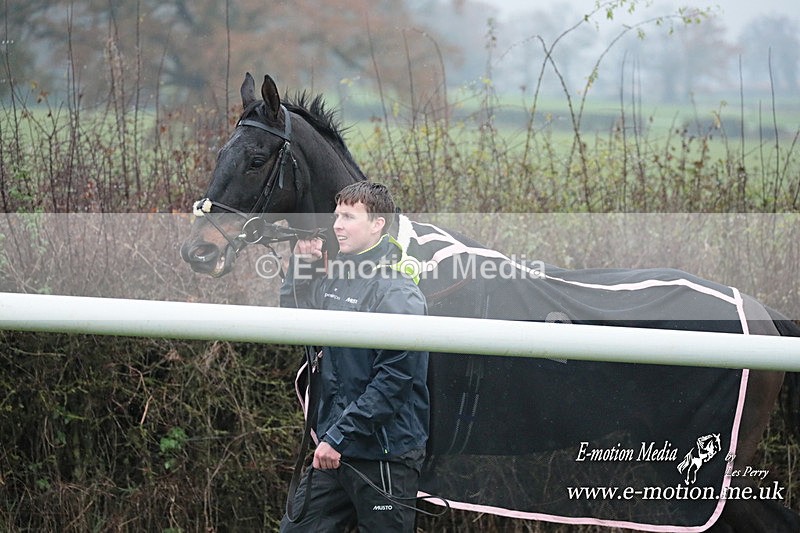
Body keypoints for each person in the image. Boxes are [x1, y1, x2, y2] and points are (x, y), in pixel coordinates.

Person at [279, 181, 430, 532]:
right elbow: (292, 324)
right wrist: (300, 266)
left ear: (377, 224)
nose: (337, 225)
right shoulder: (336, 279)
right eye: (336, 216)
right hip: (335, 452)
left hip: (383, 457)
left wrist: (338, 437)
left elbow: (393, 381)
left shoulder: (397, 291)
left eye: (348, 216)